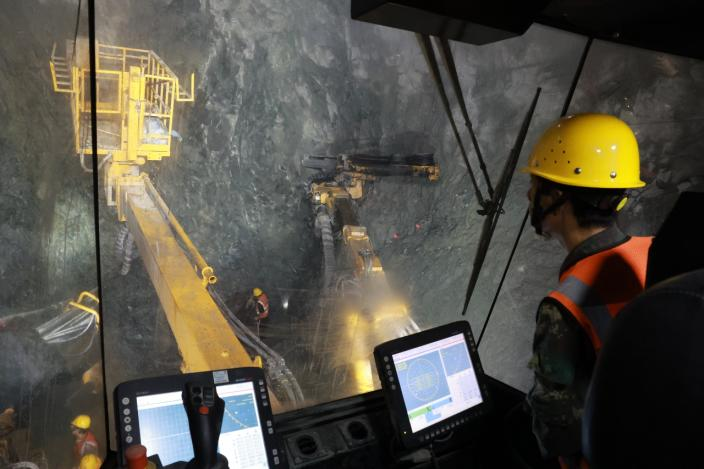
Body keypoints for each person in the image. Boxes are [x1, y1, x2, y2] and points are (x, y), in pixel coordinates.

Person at [521, 114, 653, 468]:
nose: (529, 194)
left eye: (536, 183)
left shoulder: (564, 306)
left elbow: (556, 431)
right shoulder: (657, 251)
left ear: (557, 197)